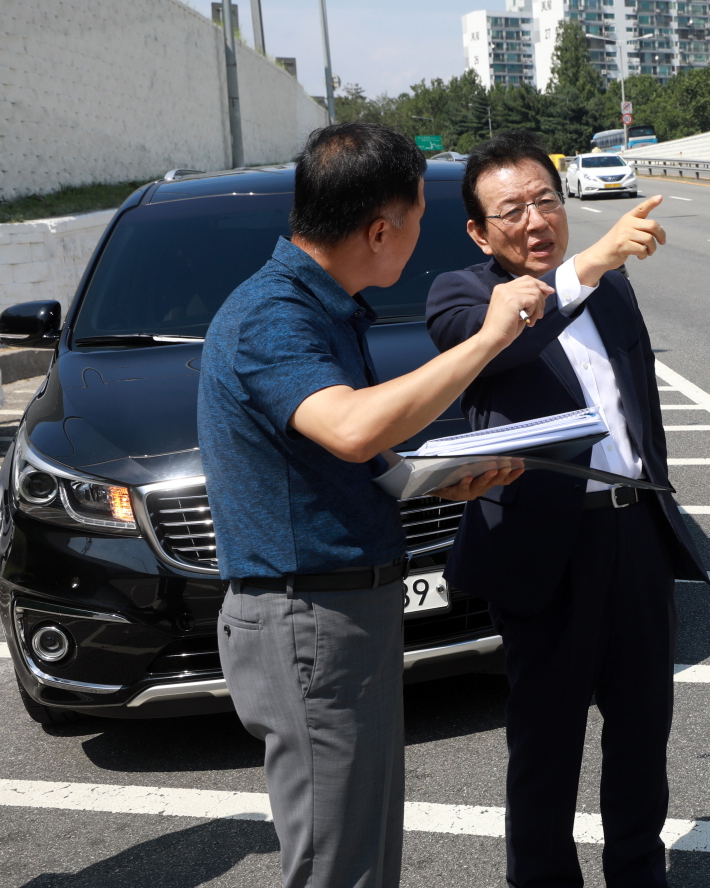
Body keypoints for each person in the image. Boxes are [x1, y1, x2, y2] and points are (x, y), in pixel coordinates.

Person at [199, 123, 554, 888]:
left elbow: (350, 454)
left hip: (341, 612)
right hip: (308, 619)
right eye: (419, 218)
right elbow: (353, 427)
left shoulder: (328, 305)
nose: (420, 236)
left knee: (361, 853)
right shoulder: (274, 313)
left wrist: (432, 479)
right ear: (379, 228)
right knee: (338, 865)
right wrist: (489, 336)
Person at [426, 131, 708, 888]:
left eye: (546, 199)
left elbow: (634, 401)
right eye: (511, 210)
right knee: (546, 752)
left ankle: (640, 877)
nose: (535, 220)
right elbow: (505, 345)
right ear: (480, 233)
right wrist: (590, 265)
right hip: (545, 549)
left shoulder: (612, 284)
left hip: (634, 532)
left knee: (643, 737)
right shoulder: (460, 296)